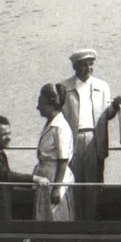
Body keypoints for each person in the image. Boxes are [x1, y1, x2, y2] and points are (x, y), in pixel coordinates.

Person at [60, 48, 121, 220]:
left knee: (93, 185)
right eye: (84, 65)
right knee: (73, 183)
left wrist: (115, 105)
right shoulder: (64, 88)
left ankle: (91, 222)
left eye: (91, 64)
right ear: (75, 66)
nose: (88, 68)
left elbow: (107, 114)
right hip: (72, 141)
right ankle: (75, 221)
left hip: (94, 141)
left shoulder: (102, 87)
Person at [34, 83, 76, 222]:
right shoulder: (50, 123)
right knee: (44, 216)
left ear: (50, 104)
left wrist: (57, 188)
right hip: (46, 176)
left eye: (41, 103)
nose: (38, 107)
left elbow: (63, 160)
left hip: (56, 177)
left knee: (57, 216)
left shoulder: (60, 127)